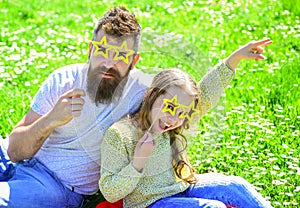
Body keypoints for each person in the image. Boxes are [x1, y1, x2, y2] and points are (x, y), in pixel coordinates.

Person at [0, 6, 152, 207]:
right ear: (90, 50)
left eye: (121, 55)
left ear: (134, 61)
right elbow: (13, 151)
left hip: (54, 184)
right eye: (103, 51)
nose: (109, 63)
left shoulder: (143, 92)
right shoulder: (64, 79)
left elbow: (188, 101)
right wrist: (51, 120)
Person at [99, 39, 274, 208]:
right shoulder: (120, 135)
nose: (173, 119)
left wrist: (235, 58)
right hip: (151, 203)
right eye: (170, 107)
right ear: (152, 95)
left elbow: (206, 93)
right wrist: (138, 161)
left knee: (235, 186)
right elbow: (110, 192)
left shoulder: (172, 125)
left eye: (182, 113)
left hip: (183, 188)